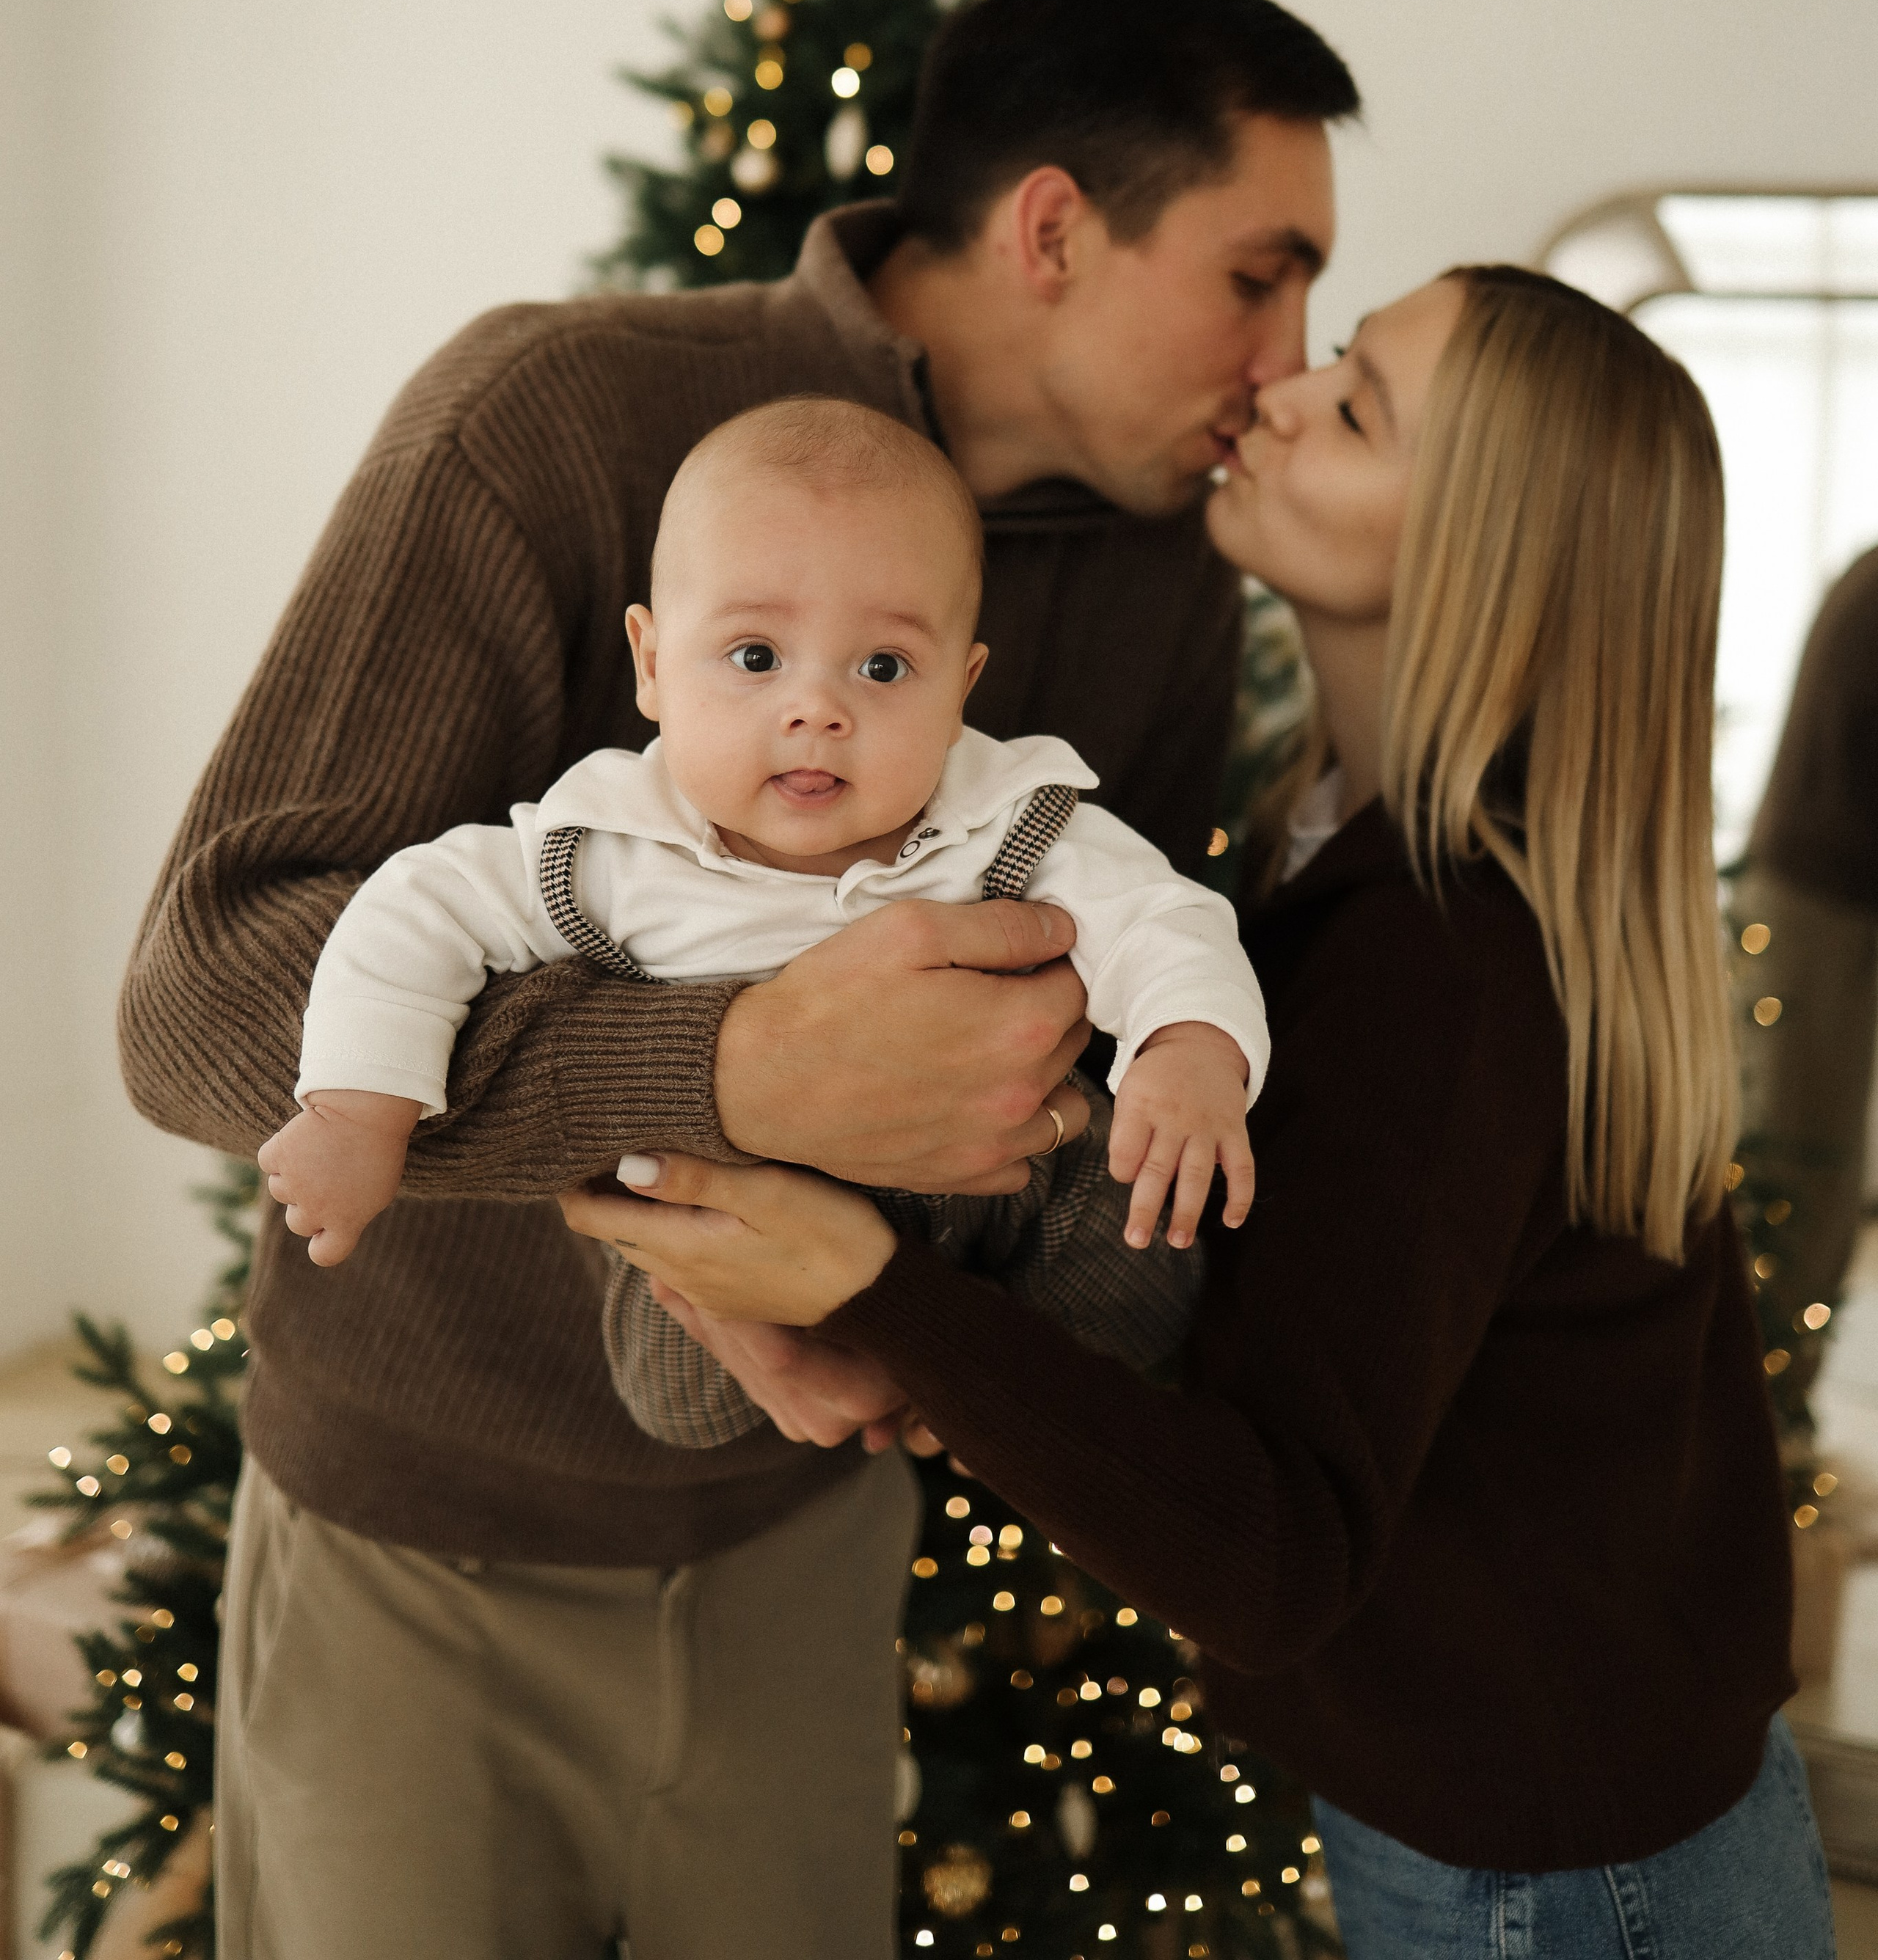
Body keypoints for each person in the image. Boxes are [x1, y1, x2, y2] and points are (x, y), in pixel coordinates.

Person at [118, 0, 1356, 1960]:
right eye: (1256, 275)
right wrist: (721, 1070)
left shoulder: (1156, 574)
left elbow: (1089, 1017)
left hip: (807, 1545)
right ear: (1054, 228)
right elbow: (196, 1003)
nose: (1287, 358)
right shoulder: (556, 419)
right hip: (427, 1550)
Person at [574, 264, 1830, 1960]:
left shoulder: (1446, 961)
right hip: (1561, 1792)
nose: (1278, 388)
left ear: (1490, 556)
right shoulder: (1326, 841)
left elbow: (1271, 1549)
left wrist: (867, 1282)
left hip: (1548, 1866)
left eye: (1356, 401)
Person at [259, 397, 1267, 1449]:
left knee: (1140, 1263)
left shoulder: (1010, 820)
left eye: (884, 667)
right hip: (730, 1205)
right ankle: (855, 1364)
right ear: (652, 665)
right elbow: (418, 911)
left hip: (1008, 1179)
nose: (817, 709)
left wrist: (1190, 1045)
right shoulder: (601, 846)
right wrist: (357, 1109)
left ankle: (996, 1384)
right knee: (676, 1379)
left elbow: (1163, 918)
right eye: (754, 657)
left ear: (963, 687)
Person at [1731, 546, 1878, 1448]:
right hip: (1821, 897)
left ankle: (1780, 1415)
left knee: (1810, 1162)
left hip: (1822, 890)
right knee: (1801, 1167)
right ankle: (1770, 1424)